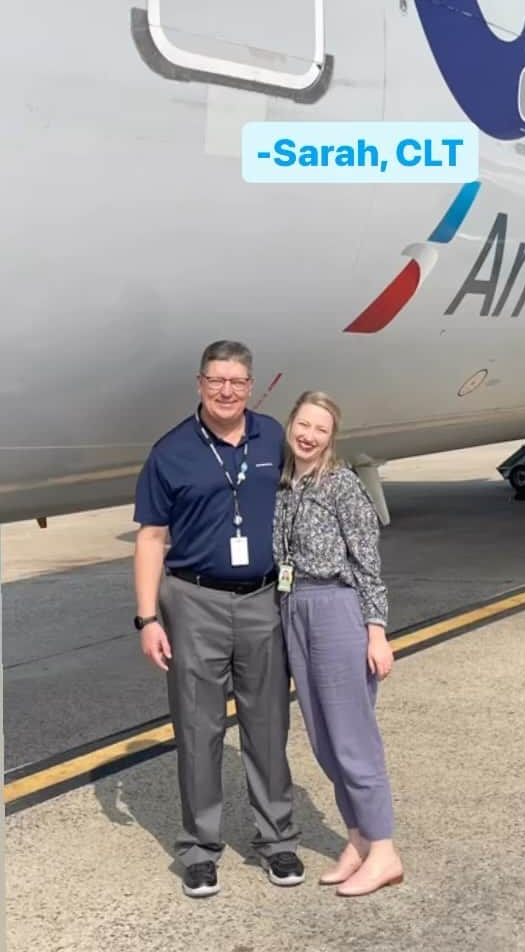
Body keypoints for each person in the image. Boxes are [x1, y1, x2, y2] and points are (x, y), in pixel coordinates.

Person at [133, 340, 304, 899]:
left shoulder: (273, 437)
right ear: (200, 383)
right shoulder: (172, 451)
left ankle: (278, 840)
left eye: (237, 381)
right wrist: (146, 618)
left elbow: (310, 494)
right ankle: (200, 849)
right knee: (198, 729)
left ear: (251, 386)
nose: (227, 391)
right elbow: (152, 538)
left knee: (268, 724)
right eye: (216, 381)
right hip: (193, 601)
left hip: (262, 600)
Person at [274, 390, 403, 897]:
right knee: (324, 741)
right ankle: (357, 839)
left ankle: (385, 851)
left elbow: (368, 561)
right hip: (294, 608)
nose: (308, 435)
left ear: (331, 438)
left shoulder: (342, 485)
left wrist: (376, 630)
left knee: (352, 739)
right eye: (303, 424)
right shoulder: (286, 487)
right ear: (291, 425)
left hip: (336, 608)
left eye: (320, 429)